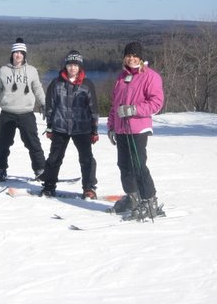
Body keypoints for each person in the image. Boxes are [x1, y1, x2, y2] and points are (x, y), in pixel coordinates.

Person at [107, 41, 165, 219]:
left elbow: (156, 103)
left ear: (141, 58)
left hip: (138, 129)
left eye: (135, 56)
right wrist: (111, 126)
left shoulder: (150, 76)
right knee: (124, 165)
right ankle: (132, 198)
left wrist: (134, 109)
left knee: (138, 165)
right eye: (128, 55)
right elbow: (115, 105)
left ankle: (149, 200)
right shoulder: (121, 77)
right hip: (122, 129)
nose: (131, 59)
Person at [0, 38, 46, 181]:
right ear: (12, 54)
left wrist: (44, 104)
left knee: (33, 143)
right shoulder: (4, 71)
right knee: (3, 143)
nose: (18, 55)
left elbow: (38, 88)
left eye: (21, 52)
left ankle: (40, 169)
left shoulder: (32, 71)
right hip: (7, 113)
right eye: (16, 52)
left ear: (24, 55)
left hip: (26, 113)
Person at [40, 50, 99, 199]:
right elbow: (50, 107)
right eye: (70, 65)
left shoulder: (87, 85)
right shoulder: (56, 83)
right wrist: (49, 126)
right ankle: (48, 186)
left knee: (87, 159)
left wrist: (94, 130)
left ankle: (89, 188)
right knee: (54, 158)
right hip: (60, 127)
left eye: (75, 65)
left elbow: (94, 109)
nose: (72, 68)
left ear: (80, 67)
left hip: (82, 128)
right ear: (65, 66)